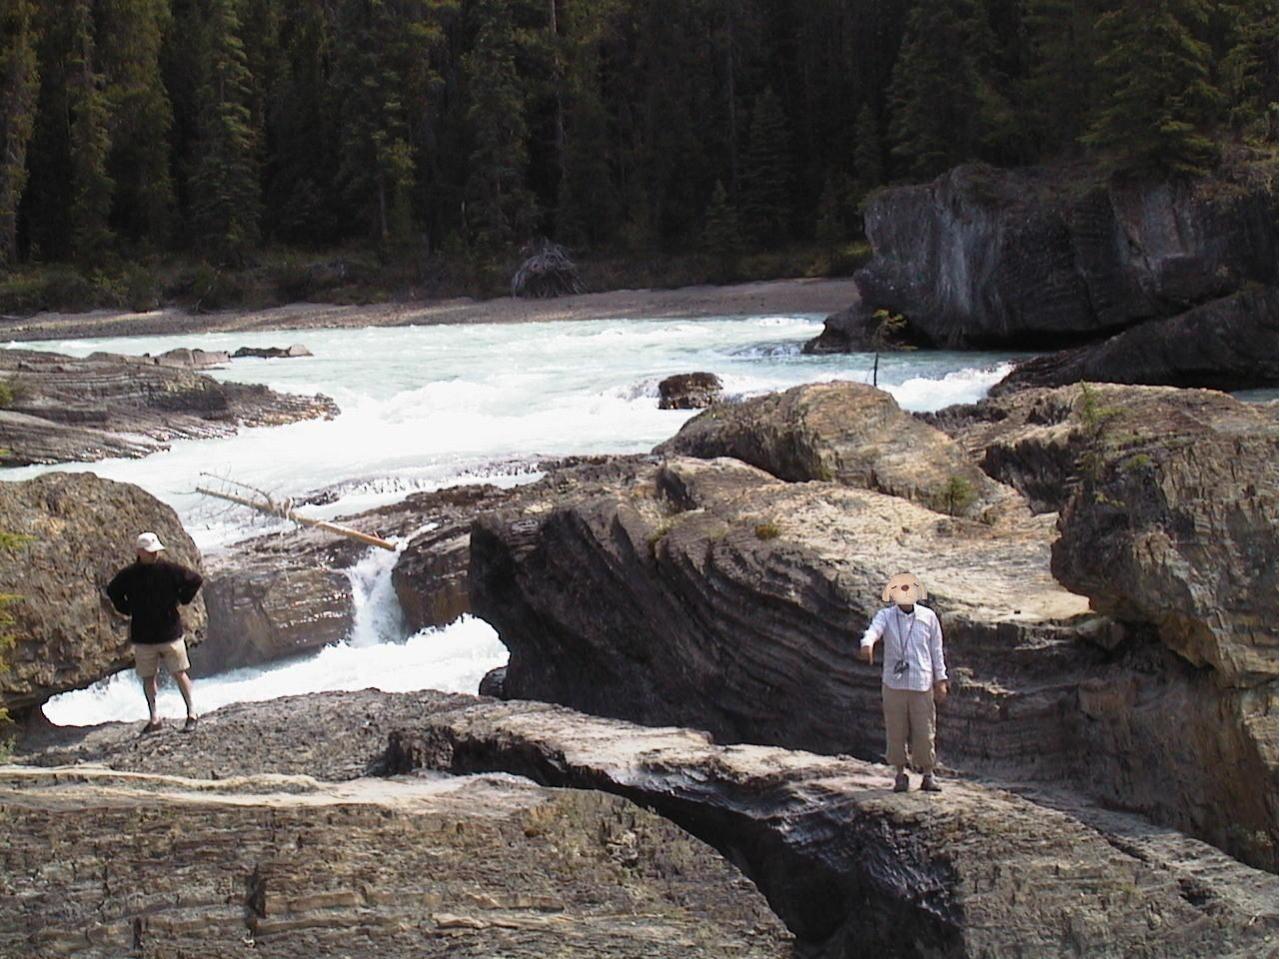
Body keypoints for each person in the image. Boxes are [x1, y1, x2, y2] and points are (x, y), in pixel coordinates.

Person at [859, 572, 949, 793]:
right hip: (894, 684)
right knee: (895, 731)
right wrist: (867, 644)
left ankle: (928, 774)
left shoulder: (929, 617)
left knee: (924, 730)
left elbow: (936, 651)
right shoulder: (886, 616)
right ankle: (900, 774)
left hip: (921, 683)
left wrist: (941, 680)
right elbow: (873, 631)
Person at [106, 532, 204, 734]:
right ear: (140, 552)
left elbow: (195, 580)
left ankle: (192, 713)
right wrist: (127, 609)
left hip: (168, 634)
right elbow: (112, 591)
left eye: (156, 551)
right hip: (145, 637)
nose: (154, 555)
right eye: (151, 552)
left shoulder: (167, 569)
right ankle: (154, 718)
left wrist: (182, 599)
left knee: (179, 673)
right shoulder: (131, 574)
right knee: (149, 678)